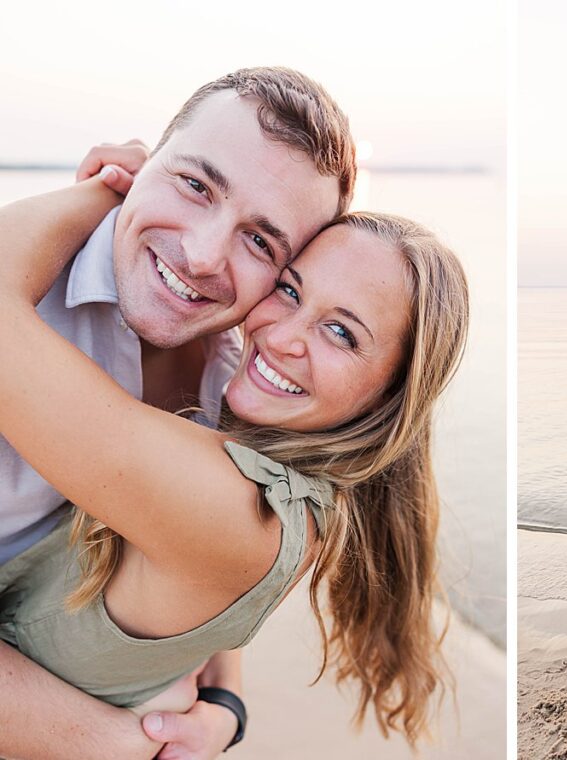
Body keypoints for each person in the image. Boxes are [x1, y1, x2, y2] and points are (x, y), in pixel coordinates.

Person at [0, 172, 468, 757]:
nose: (282, 338)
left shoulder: (238, 507)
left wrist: (113, 192)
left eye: (341, 333)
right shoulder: (271, 479)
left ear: (392, 394)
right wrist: (226, 702)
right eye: (292, 291)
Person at [0, 66, 357, 759]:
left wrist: (226, 699)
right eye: (195, 185)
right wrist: (109, 743)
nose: (200, 255)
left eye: (262, 241)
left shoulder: (241, 379)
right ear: (139, 165)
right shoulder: (28, 301)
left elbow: (201, 566)